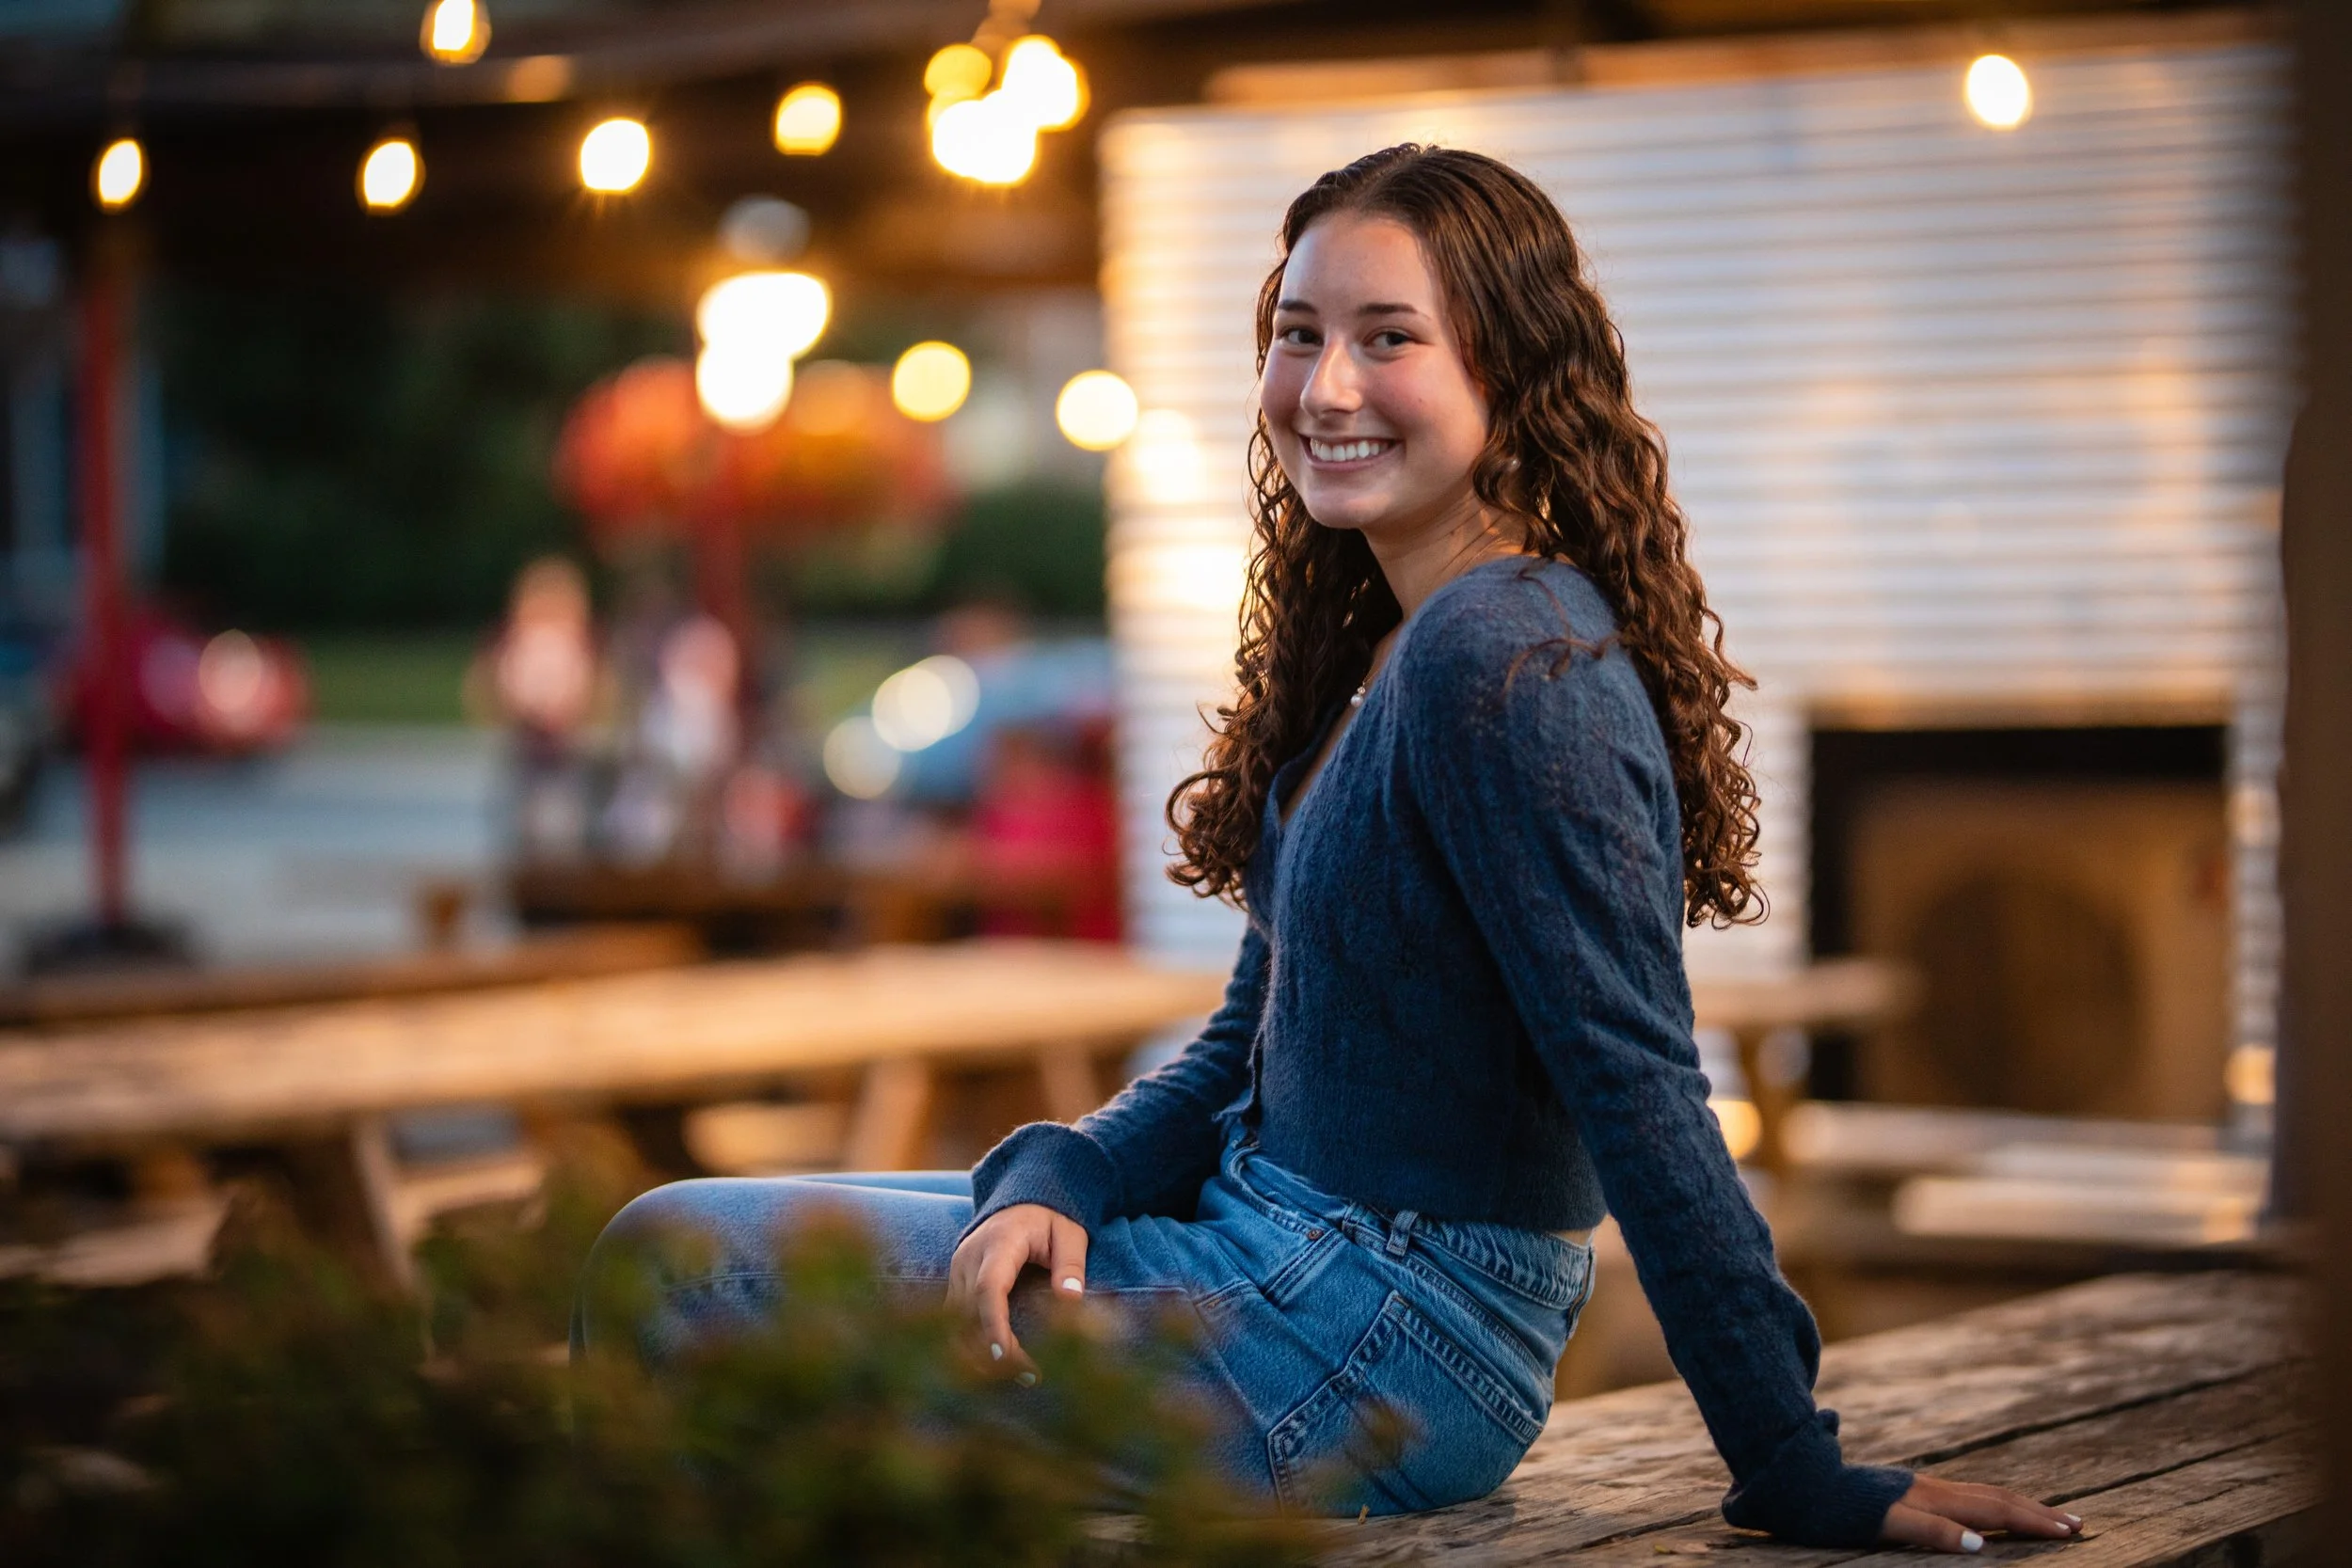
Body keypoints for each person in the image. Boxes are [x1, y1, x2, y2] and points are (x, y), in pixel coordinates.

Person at [577, 146, 2083, 1553]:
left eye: (1388, 335)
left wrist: (1793, 1461)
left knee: (680, 1262)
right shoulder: (1406, 648)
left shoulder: (1508, 664)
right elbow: (1250, 1035)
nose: (1327, 383)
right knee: (848, 1234)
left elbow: (1638, 1081)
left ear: (1511, 365)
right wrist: (1066, 1173)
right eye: (1299, 334)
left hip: (1380, 1326)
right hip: (1294, 1259)